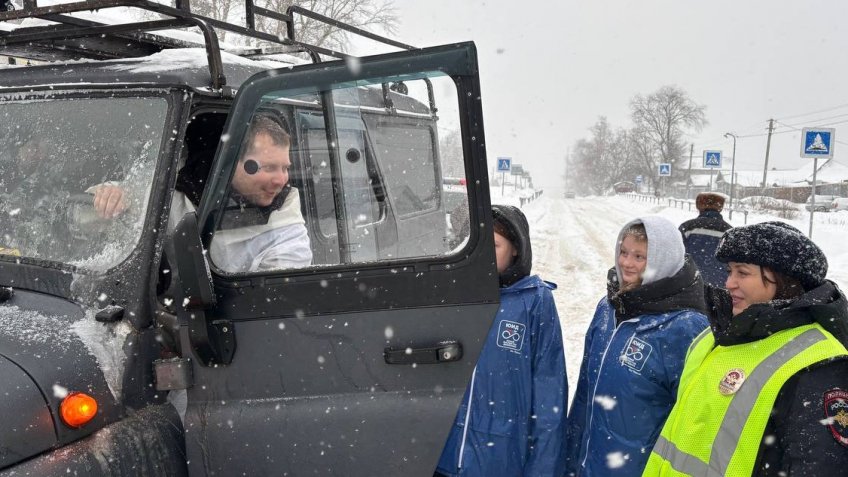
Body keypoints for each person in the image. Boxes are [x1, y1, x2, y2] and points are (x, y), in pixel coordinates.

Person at [643, 221, 848, 476]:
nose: (729, 282)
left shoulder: (819, 364)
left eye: (743, 272)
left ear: (784, 279)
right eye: (730, 271)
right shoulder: (717, 336)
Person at [565, 216, 710, 477]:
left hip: (639, 468)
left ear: (661, 261)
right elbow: (586, 392)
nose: (625, 263)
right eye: (623, 252)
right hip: (589, 464)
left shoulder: (686, 327)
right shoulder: (608, 308)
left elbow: (692, 423)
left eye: (639, 257)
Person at [434, 204, 567, 477]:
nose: (483, 256)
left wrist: (542, 469)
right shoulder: (454, 295)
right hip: (441, 458)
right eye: (476, 246)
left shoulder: (534, 302)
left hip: (500, 461)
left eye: (493, 246)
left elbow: (549, 394)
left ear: (515, 248)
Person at [94, 113, 312, 273]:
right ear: (232, 162)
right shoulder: (186, 186)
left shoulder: (286, 227)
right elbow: (137, 195)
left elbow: (265, 303)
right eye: (270, 168)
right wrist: (115, 194)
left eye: (285, 168)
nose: (282, 180)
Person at [678, 192, 732, 287]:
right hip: (720, 286)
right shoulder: (730, 231)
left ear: (699, 206)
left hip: (690, 283)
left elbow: (676, 256)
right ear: (720, 207)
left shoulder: (687, 227)